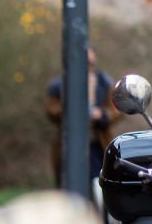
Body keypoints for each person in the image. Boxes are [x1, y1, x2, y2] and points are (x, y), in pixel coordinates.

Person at [45, 47, 122, 186]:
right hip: (69, 144)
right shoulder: (61, 84)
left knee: (98, 185)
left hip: (97, 144)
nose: (87, 67)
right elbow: (51, 110)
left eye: (90, 63)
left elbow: (116, 110)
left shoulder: (105, 83)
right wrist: (71, 110)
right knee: (69, 185)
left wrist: (102, 114)